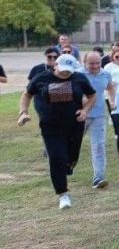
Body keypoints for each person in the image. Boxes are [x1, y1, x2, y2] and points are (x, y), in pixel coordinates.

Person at [18, 54, 97, 209]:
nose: (65, 74)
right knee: (56, 157)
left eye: (69, 71)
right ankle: (63, 194)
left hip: (74, 124)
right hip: (50, 125)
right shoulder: (42, 78)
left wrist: (85, 110)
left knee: (70, 159)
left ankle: (67, 166)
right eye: (62, 70)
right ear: (56, 66)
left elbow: (92, 96)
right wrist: (24, 112)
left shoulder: (79, 78)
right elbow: (27, 94)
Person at [82, 51, 116, 189]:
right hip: (80, 115)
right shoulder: (78, 75)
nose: (95, 66)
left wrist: (112, 100)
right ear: (84, 63)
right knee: (72, 144)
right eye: (91, 64)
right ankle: (65, 165)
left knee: (99, 146)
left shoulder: (105, 74)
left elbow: (110, 87)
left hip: (99, 115)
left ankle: (99, 177)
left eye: (98, 63)